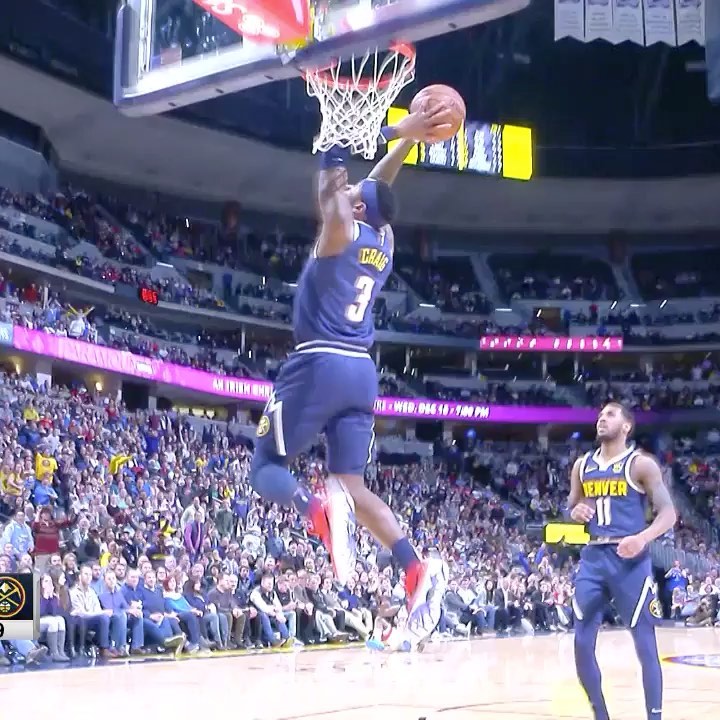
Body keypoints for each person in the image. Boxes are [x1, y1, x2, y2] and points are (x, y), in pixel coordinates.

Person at [249, 107, 453, 646]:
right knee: (352, 483)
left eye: (355, 194)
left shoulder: (339, 232)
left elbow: (333, 194)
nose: (352, 190)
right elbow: (377, 189)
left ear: (357, 207)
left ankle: (316, 512)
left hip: (320, 360)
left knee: (266, 465)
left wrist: (340, 143)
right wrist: (405, 141)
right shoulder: (383, 241)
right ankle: (413, 567)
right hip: (363, 371)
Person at [568, 402, 677, 720]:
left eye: (610, 414)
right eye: (600, 414)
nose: (601, 418)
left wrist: (642, 538)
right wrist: (574, 512)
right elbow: (572, 506)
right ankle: (601, 715)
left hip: (630, 560)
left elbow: (669, 513)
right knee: (581, 643)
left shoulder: (641, 464)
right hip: (593, 559)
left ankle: (654, 717)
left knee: (645, 644)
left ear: (627, 426)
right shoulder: (582, 465)